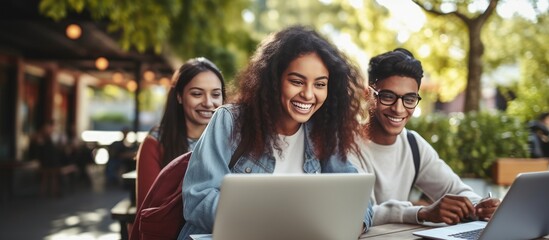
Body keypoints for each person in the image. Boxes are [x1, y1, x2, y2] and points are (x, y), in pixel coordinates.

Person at [177, 25, 372, 240]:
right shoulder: (230, 121)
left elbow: (359, 200)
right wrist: (269, 226)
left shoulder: (323, 132)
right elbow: (198, 198)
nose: (308, 94)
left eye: (320, 84)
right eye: (297, 81)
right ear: (273, 80)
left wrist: (355, 224)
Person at [350, 48, 500, 226]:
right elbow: (359, 213)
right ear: (368, 95)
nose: (399, 109)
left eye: (410, 99)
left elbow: (457, 190)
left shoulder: (413, 144)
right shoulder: (346, 145)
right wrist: (422, 213)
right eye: (388, 97)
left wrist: (481, 206)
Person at [135, 57, 226, 210]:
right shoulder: (155, 143)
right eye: (197, 94)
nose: (208, 103)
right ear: (179, 96)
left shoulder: (231, 141)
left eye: (216, 94)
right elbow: (148, 209)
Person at [29, 119, 62, 197]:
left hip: (49, 161)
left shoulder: (48, 138)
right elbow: (39, 152)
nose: (49, 129)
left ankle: (56, 190)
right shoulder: (38, 137)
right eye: (47, 127)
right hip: (44, 162)